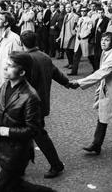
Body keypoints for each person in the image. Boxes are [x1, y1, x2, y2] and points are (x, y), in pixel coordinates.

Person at [0, 51, 56, 192]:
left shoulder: (31, 96)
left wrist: (1, 130)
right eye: (7, 64)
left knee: (2, 188)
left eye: (10, 66)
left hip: (18, 153)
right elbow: (2, 109)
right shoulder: (6, 85)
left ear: (22, 72)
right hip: (6, 148)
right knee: (16, 186)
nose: (5, 68)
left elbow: (32, 130)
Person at [20, 30, 72, 178]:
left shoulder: (26, 59)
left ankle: (56, 164)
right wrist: (68, 83)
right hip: (41, 104)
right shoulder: (45, 56)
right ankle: (21, 164)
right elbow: (56, 73)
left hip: (29, 105)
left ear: (22, 44)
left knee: (38, 135)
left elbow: (22, 84)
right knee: (27, 135)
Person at [69, 7, 93, 75]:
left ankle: (96, 68)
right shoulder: (79, 19)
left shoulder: (89, 20)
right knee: (76, 56)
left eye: (84, 11)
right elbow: (77, 27)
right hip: (78, 40)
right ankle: (74, 71)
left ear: (86, 12)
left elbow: (89, 30)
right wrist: (76, 29)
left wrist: (82, 35)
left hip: (84, 39)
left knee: (89, 56)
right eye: (82, 11)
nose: (83, 12)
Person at [58, 3, 79, 69]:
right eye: (66, 7)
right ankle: (69, 62)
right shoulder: (65, 15)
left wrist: (74, 33)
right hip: (65, 35)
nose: (67, 8)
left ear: (72, 8)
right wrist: (60, 35)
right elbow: (63, 26)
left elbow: (77, 26)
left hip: (71, 36)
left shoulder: (75, 16)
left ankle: (72, 63)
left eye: (69, 7)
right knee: (66, 50)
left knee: (71, 50)